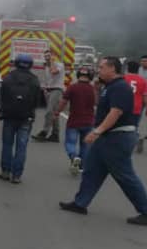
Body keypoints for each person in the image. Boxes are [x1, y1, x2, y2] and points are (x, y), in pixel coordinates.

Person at [60, 57, 147, 225]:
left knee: (124, 175)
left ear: (112, 69)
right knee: (92, 170)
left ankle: (145, 210)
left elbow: (116, 112)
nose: (98, 70)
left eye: (101, 67)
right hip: (108, 137)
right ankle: (80, 203)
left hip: (117, 137)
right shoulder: (110, 87)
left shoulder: (120, 87)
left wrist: (97, 131)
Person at [0, 54, 41, 184]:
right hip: (26, 118)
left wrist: (3, 110)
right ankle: (17, 175)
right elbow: (36, 101)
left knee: (7, 144)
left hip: (9, 116)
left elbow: (2, 97)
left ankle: (5, 171)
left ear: (16, 63)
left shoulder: (8, 78)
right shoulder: (34, 80)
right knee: (21, 147)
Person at [56, 66, 96, 176]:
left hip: (74, 121)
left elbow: (63, 102)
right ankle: (81, 166)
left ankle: (74, 157)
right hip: (89, 121)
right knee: (85, 145)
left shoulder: (72, 87)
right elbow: (97, 103)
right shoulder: (93, 89)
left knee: (70, 142)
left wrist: (57, 112)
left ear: (78, 75)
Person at [34, 49, 65, 142]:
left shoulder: (59, 65)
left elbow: (54, 71)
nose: (46, 58)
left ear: (53, 56)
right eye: (45, 56)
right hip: (49, 90)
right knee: (54, 113)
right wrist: (45, 88)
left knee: (49, 111)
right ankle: (55, 135)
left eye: (48, 56)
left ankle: (44, 132)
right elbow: (48, 79)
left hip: (57, 90)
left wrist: (51, 61)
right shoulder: (46, 67)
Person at [123, 61, 147, 127]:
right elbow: (145, 98)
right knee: (134, 127)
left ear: (127, 68)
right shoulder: (143, 81)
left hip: (123, 107)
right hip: (136, 108)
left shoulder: (122, 79)